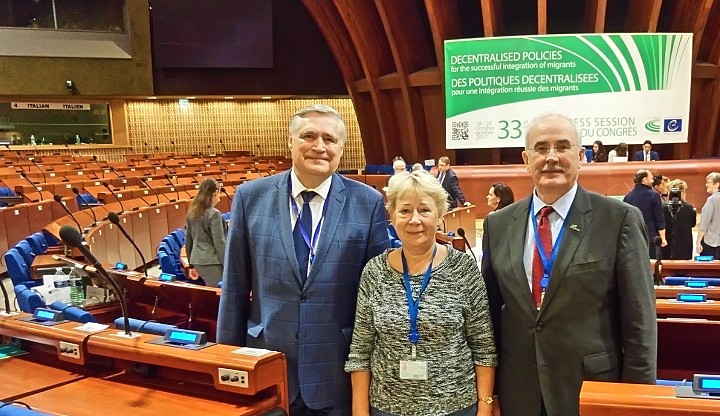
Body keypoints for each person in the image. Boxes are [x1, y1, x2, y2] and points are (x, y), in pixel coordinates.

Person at [217, 104, 390, 416]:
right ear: (291, 141)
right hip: (266, 363)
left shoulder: (368, 202)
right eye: (309, 136)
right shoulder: (250, 197)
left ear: (341, 148)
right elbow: (234, 288)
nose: (319, 146)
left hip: (337, 370)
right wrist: (227, 362)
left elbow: (378, 298)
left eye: (329, 139)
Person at [481, 113, 657, 416]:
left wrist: (636, 401)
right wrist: (489, 392)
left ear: (580, 156)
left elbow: (639, 321)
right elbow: (491, 315)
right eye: (541, 148)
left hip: (589, 389)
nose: (551, 157)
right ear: (526, 159)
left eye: (562, 147)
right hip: (518, 390)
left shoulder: (618, 219)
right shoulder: (497, 225)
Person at [346, 170, 497, 416]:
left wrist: (485, 406)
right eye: (405, 211)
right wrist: (360, 412)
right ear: (392, 216)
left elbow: (483, 347)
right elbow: (360, 351)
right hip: (387, 408)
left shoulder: (463, 269)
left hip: (456, 408)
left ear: (439, 215)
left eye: (424, 210)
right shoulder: (374, 271)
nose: (414, 220)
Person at [184, 178, 226, 287]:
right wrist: (227, 264)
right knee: (218, 291)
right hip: (211, 261)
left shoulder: (192, 212)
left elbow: (188, 240)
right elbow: (219, 243)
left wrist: (191, 263)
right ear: (216, 192)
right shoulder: (214, 214)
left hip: (197, 259)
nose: (219, 198)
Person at [624, 169, 667, 258]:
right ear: (644, 179)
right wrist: (663, 238)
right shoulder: (654, 195)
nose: (652, 181)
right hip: (650, 237)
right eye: (651, 178)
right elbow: (659, 218)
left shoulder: (627, 197)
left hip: (632, 238)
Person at [663, 179, 696, 260]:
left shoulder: (662, 207)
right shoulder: (689, 208)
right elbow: (693, 223)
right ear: (682, 192)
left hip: (667, 243)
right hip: (684, 243)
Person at [696, 172, 720, 258]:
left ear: (717, 184)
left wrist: (698, 241)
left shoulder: (711, 200)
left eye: (708, 182)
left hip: (710, 242)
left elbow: (704, 223)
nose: (706, 185)